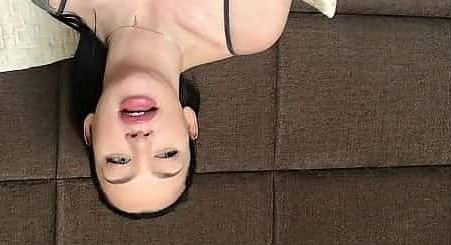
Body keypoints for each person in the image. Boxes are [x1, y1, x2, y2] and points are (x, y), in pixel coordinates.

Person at [30, 0, 292, 218]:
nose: (140, 142)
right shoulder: (252, 22)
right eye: (167, 154)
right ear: (189, 124)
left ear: (90, 129)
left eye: (119, 161)